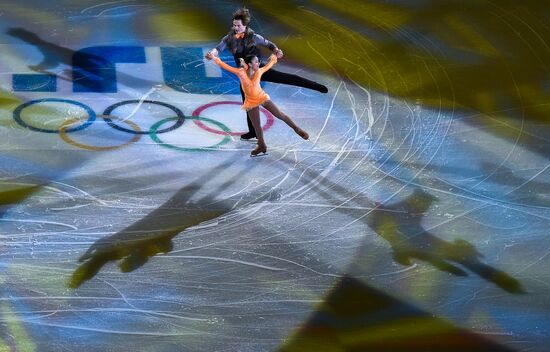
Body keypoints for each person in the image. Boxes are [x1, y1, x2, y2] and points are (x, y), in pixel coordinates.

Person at [205, 7, 327, 141]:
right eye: (234, 25)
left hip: (259, 69)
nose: (235, 27)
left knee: (287, 78)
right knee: (249, 103)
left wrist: (277, 51)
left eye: (238, 25)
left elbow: (270, 45)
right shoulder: (229, 39)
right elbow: (218, 48)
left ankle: (316, 86)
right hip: (245, 76)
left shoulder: (255, 37)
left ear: (245, 25)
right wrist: (212, 54)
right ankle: (253, 132)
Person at [212, 53, 309, 156]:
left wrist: (274, 57)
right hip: (251, 102)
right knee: (257, 126)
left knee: (280, 114)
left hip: (262, 97)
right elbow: (224, 65)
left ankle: (297, 129)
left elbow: (269, 64)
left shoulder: (259, 71)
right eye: (256, 62)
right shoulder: (241, 73)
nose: (259, 63)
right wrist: (214, 57)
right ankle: (261, 145)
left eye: (258, 61)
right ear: (249, 64)